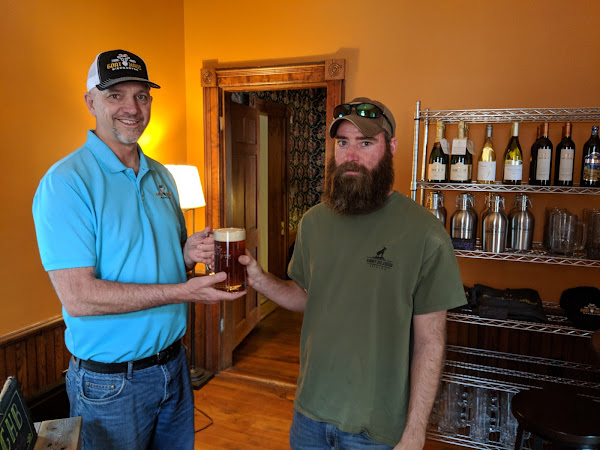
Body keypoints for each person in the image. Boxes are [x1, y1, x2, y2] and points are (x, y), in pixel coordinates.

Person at [32, 49, 243, 449]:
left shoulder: (161, 175)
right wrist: (183, 292)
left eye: (141, 96)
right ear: (90, 101)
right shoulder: (66, 183)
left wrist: (186, 254)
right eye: (115, 95)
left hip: (173, 367)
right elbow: (79, 298)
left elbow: (162, 260)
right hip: (110, 384)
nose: (131, 107)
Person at [238, 98, 467, 449]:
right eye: (343, 142)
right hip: (309, 415)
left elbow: (430, 342)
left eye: (365, 142)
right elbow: (306, 297)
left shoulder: (425, 232)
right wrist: (259, 279)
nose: (351, 155)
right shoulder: (314, 221)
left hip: (376, 428)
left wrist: (415, 432)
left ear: (391, 148)